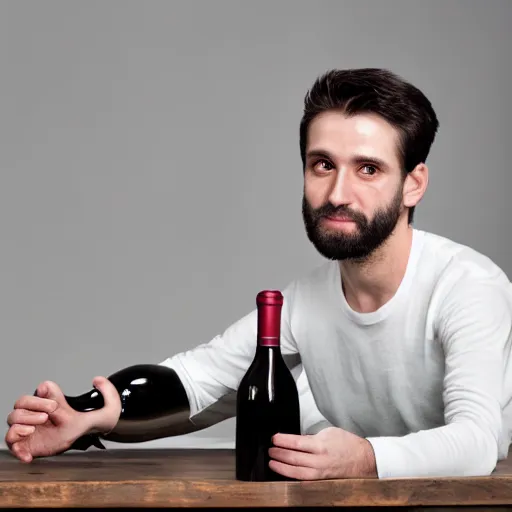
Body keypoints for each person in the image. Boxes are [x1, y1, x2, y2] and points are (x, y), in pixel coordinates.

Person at [5, 68, 512, 480]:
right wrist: (84, 414)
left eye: (368, 169)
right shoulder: (305, 301)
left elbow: (477, 443)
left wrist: (365, 457)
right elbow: (199, 376)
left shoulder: (468, 286)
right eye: (322, 165)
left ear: (413, 184)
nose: (337, 194)